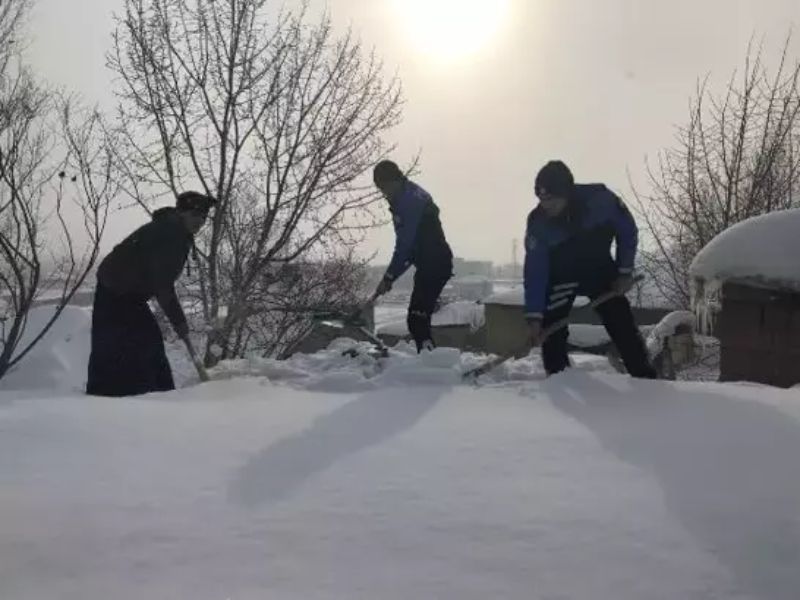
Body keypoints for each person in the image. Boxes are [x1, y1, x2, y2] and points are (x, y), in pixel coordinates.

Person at [523, 160, 657, 378]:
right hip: (561, 277)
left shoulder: (600, 201)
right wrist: (534, 318)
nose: (546, 206)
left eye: (552, 200)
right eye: (541, 199)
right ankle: (559, 380)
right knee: (552, 331)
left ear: (566, 193)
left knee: (621, 323)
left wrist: (624, 272)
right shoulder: (538, 223)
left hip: (599, 271)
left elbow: (627, 231)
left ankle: (645, 378)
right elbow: (535, 271)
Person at [86, 191, 216, 396]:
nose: (200, 221)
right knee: (130, 346)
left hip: (127, 293)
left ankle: (155, 394)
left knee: (146, 343)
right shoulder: (170, 233)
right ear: (182, 213)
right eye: (195, 215)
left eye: (203, 217)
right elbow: (163, 286)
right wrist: (180, 324)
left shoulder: (175, 230)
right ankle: (138, 397)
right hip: (116, 291)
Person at [373, 160, 453, 352]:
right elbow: (410, 250)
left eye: (384, 187)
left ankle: (431, 365)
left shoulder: (408, 202)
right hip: (431, 264)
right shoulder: (409, 194)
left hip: (434, 265)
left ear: (394, 181)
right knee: (418, 320)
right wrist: (390, 278)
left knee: (417, 320)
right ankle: (429, 362)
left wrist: (389, 277)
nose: (384, 193)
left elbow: (405, 248)